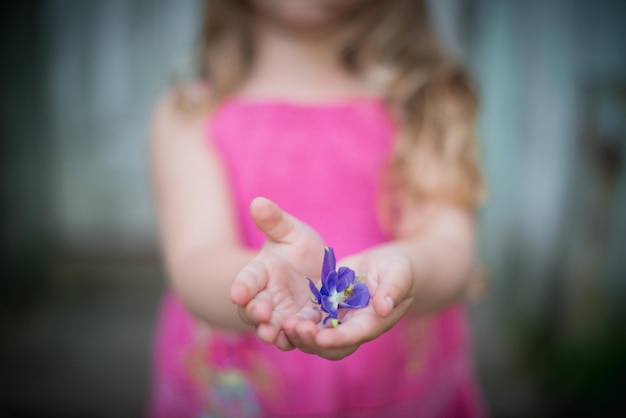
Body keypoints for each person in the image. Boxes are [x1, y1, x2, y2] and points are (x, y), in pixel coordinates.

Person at [148, 0, 486, 416]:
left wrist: (406, 268)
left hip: (397, 391)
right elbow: (195, 259)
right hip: (245, 394)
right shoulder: (191, 112)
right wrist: (262, 282)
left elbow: (450, 247)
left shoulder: (421, 102)